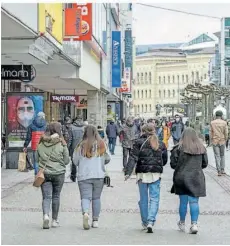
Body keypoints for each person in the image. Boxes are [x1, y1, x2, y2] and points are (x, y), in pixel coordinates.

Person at [124, 123, 168, 233]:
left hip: (142, 174)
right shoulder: (161, 144)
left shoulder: (138, 143)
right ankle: (150, 221)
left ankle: (144, 222)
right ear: (154, 131)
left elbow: (132, 158)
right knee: (154, 198)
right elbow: (165, 160)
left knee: (143, 199)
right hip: (155, 174)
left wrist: (128, 172)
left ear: (142, 131)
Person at [170, 127, 208, 234]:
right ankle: (194, 224)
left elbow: (173, 164)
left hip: (181, 177)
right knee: (194, 201)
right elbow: (204, 164)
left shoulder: (178, 148)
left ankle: (182, 223)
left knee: (183, 202)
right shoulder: (201, 148)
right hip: (196, 177)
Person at [73, 125, 107, 230]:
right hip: (99, 175)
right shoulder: (101, 144)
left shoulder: (80, 145)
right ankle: (95, 221)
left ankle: (86, 213)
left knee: (85, 197)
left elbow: (75, 161)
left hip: (84, 176)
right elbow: (108, 158)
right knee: (96, 198)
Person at [37, 122, 69, 229]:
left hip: (45, 173)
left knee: (46, 197)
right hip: (59, 173)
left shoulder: (41, 143)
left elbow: (37, 159)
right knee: (56, 196)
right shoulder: (61, 143)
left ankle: (46, 215)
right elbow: (66, 160)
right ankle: (55, 220)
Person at [210, 111, 228, 176]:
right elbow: (226, 132)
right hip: (222, 141)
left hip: (215, 141)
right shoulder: (224, 123)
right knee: (222, 155)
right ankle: (223, 169)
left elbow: (211, 132)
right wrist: (225, 139)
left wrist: (211, 140)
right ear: (221, 115)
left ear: (216, 115)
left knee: (217, 156)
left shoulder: (212, 123)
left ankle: (219, 171)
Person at [69, 115, 85, 182]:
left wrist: (68, 147)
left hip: (74, 146)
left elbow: (70, 139)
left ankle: (73, 176)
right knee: (83, 161)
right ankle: (82, 175)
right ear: (81, 119)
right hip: (83, 147)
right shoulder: (85, 127)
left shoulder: (71, 127)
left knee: (74, 161)